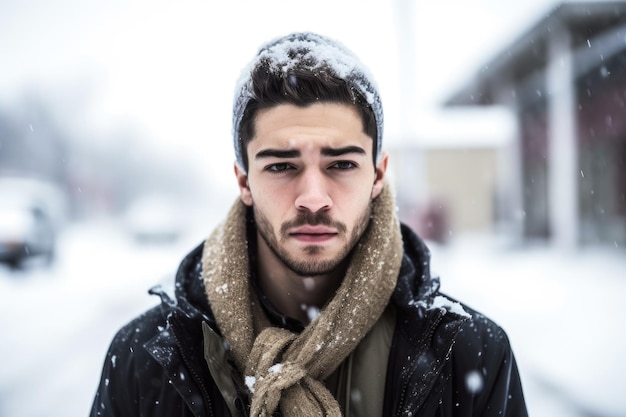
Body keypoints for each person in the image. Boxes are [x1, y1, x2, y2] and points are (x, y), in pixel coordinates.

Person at [90, 32, 528, 417]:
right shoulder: (147, 360)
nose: (313, 198)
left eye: (341, 163)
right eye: (281, 166)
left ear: (378, 175)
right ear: (244, 180)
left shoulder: (469, 354)